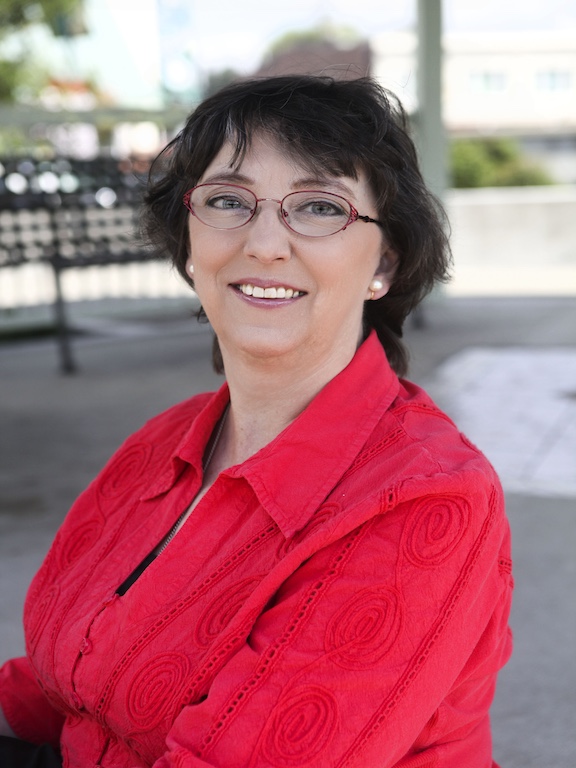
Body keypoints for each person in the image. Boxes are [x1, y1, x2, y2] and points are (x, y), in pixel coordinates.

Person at [0, 75, 513, 767]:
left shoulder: (427, 497)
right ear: (188, 241)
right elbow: (52, 688)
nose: (265, 242)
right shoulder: (160, 445)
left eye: (320, 207)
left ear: (384, 260)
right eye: (227, 201)